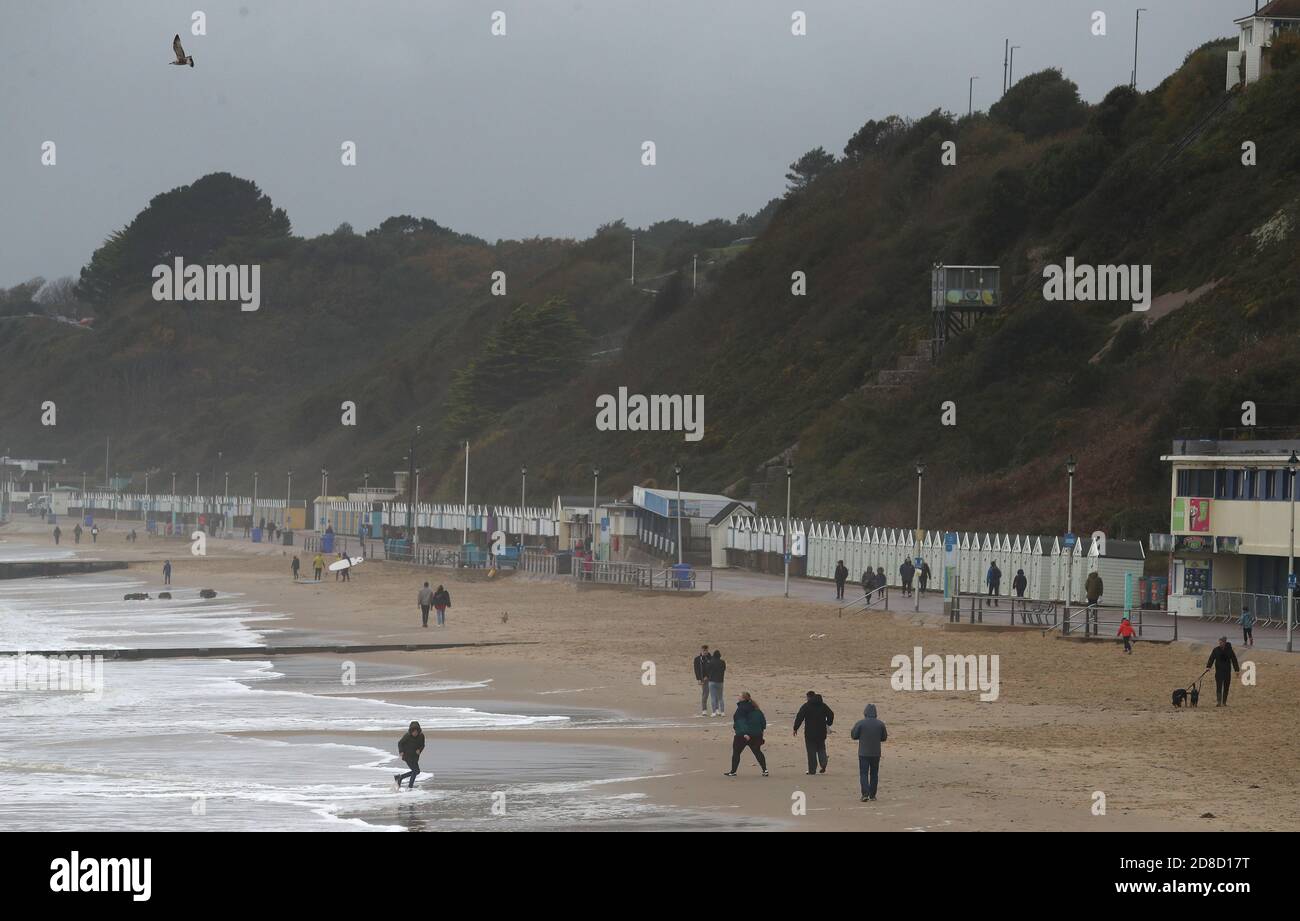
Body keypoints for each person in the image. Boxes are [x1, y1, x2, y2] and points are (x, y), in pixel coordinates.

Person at [724, 692, 768, 777]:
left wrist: (744, 733)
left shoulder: (741, 709)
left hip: (743, 735)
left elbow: (740, 722)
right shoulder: (756, 708)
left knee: (736, 753)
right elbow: (763, 722)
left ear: (743, 699)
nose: (738, 696)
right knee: (757, 752)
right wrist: (761, 731)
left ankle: (733, 772)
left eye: (739, 695)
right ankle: (765, 770)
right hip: (756, 734)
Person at [850, 703, 888, 802]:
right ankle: (872, 795)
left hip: (863, 753)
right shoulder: (880, 724)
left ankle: (865, 794)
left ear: (865, 712)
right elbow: (884, 738)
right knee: (874, 774)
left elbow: (854, 735)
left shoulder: (860, 723)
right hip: (876, 753)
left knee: (864, 773)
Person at [793, 691, 835, 775]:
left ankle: (812, 770)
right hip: (821, 732)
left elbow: (800, 717)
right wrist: (829, 723)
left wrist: (795, 728)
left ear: (809, 697)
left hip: (810, 733)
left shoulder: (806, 706)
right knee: (821, 749)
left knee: (811, 752)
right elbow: (831, 714)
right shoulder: (823, 705)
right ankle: (823, 764)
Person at [1206, 636, 1241, 707]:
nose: (1220, 643)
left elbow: (1234, 660)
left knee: (1226, 687)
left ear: (1224, 643)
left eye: (1221, 642)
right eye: (1219, 642)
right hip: (1218, 671)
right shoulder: (1216, 650)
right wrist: (1208, 667)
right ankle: (1219, 702)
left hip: (1227, 671)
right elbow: (1211, 658)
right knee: (1219, 686)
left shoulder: (1229, 650)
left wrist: (1236, 670)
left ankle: (1224, 702)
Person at [393, 720, 425, 790]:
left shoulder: (421, 736)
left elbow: (422, 745)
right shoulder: (407, 736)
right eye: (413, 732)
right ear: (411, 731)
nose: (415, 733)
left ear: (418, 731)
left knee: (417, 771)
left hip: (415, 756)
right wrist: (401, 751)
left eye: (416, 731)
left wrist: (420, 750)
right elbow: (400, 743)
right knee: (415, 771)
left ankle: (400, 777)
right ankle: (410, 787)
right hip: (407, 755)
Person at [706, 649, 726, 716]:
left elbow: (707, 670)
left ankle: (714, 712)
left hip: (712, 681)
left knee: (713, 697)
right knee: (720, 697)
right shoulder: (723, 662)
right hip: (720, 681)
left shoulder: (711, 662)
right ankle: (722, 712)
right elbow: (724, 669)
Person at [693, 644, 712, 716]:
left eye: (706, 650)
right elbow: (696, 670)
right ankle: (704, 710)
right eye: (704, 650)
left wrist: (708, 676)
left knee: (714, 694)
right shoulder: (697, 659)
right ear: (701, 650)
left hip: (712, 678)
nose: (705, 652)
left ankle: (716, 710)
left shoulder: (711, 658)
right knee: (705, 694)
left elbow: (712, 668)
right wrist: (699, 679)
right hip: (703, 679)